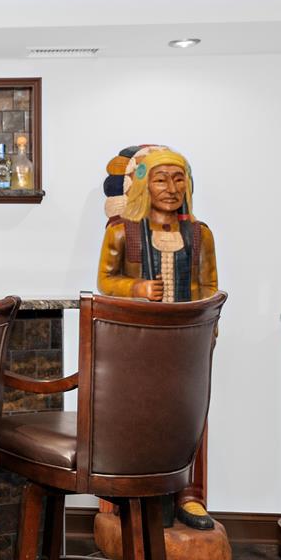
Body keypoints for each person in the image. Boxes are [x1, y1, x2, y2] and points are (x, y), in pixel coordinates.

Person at [97, 146, 220, 530]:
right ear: (143, 187)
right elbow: (105, 283)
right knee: (139, 418)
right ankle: (135, 496)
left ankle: (188, 495)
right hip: (137, 344)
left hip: (186, 346)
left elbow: (208, 287)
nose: (171, 187)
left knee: (190, 416)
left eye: (178, 178)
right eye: (161, 179)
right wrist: (136, 288)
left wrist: (207, 330)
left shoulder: (200, 235)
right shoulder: (122, 233)